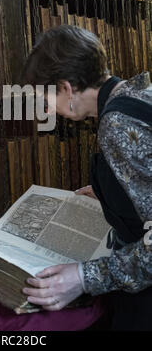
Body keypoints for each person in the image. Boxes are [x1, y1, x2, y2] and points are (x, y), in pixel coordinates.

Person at [20, 24, 152, 331]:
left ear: (66, 88)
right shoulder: (139, 91)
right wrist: (115, 188)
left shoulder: (116, 126)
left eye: (45, 99)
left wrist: (83, 277)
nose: (47, 109)